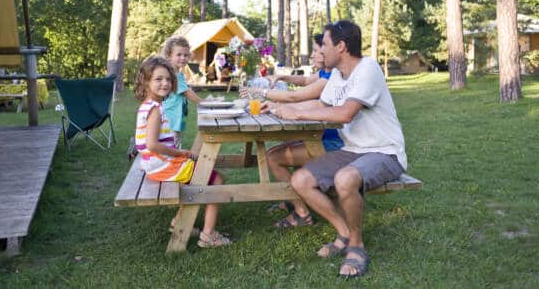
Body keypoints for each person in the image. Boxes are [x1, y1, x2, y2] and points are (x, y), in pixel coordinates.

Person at [264, 20, 407, 278]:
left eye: (326, 45)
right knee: (301, 179)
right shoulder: (338, 76)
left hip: (385, 152)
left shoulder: (368, 69)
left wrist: (294, 115)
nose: (321, 50)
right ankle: (342, 231)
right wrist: (279, 109)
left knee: (345, 178)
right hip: (353, 149)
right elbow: (320, 106)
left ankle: (357, 245)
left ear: (341, 46)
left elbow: (347, 113)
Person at [241, 34, 343, 228]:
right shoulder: (325, 74)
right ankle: (292, 198)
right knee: (286, 148)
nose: (312, 55)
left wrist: (262, 93)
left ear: (326, 51)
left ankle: (301, 212)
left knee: (273, 157)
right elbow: (304, 82)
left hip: (331, 141)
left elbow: (295, 97)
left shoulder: (330, 78)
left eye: (316, 50)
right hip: (320, 135)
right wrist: (281, 78)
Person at [134, 56, 231, 248]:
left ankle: (179, 221)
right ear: (146, 82)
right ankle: (209, 235)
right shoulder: (154, 110)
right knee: (216, 179)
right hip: (162, 165)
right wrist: (181, 153)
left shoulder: (149, 106)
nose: (165, 83)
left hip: (155, 164)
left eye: (168, 79)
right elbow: (152, 144)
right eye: (158, 79)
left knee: (202, 171)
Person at [162, 36, 205, 149]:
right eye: (179, 54)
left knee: (173, 142)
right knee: (172, 143)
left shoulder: (176, 73)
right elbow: (186, 92)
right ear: (169, 55)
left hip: (175, 116)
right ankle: (170, 164)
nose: (183, 58)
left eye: (186, 55)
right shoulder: (174, 74)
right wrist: (202, 102)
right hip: (171, 118)